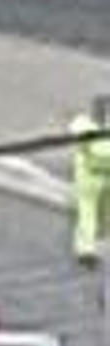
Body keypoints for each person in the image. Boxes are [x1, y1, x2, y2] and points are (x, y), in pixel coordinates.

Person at [69, 95, 110, 266]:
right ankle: (86, 250)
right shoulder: (83, 126)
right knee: (87, 213)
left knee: (104, 215)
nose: (103, 112)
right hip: (89, 177)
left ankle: (96, 242)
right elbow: (82, 143)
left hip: (106, 178)